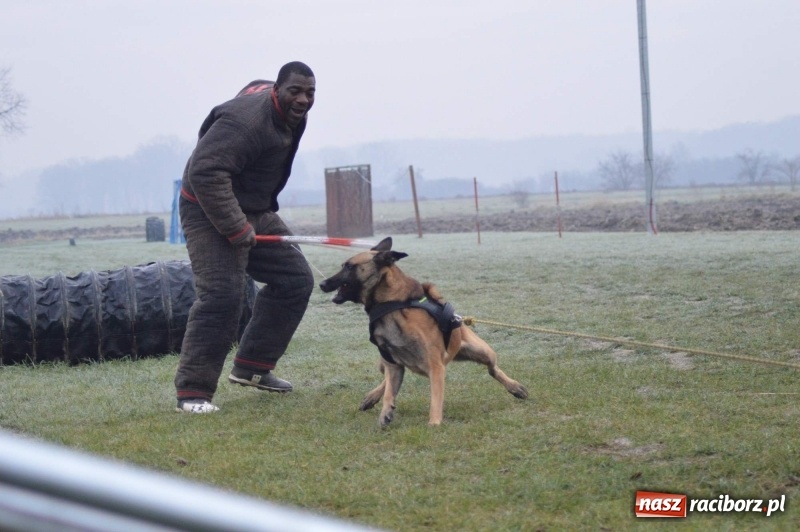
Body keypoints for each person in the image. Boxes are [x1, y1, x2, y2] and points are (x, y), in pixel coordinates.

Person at [174, 61, 316, 413]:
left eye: (310, 93)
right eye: (295, 91)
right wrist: (236, 228)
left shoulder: (290, 112)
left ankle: (253, 367)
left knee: (295, 279)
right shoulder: (246, 121)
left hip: (254, 208)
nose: (303, 99)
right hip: (207, 208)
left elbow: (252, 85)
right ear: (277, 90)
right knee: (222, 296)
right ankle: (193, 394)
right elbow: (205, 172)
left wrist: (251, 217)